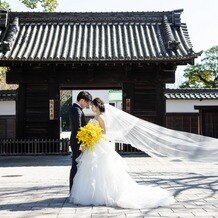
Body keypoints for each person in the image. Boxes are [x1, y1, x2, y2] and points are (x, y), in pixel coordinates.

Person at [69, 98, 175, 208]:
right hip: (93, 145)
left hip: (99, 144)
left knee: (102, 168)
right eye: (91, 106)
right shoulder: (94, 117)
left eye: (93, 106)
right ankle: (91, 194)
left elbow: (104, 132)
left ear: (98, 106)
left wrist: (94, 136)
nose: (91, 107)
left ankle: (104, 194)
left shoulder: (100, 117)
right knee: (90, 169)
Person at [69, 91, 92, 192]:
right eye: (87, 103)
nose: (88, 105)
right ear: (82, 100)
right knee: (76, 165)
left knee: (77, 164)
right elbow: (79, 129)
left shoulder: (76, 109)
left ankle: (74, 189)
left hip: (76, 141)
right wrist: (82, 143)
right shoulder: (76, 110)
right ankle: (73, 189)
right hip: (77, 142)